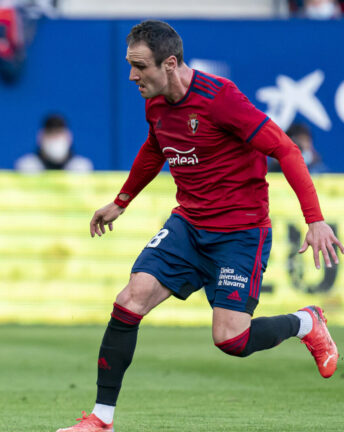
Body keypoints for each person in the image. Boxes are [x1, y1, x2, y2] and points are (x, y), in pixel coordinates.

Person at [56, 20, 341, 432]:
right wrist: (121, 202)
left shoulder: (221, 99)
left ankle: (307, 322)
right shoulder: (154, 102)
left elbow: (286, 149)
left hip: (240, 233)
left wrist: (314, 220)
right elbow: (154, 149)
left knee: (231, 340)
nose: (132, 76)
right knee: (128, 300)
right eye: (129, 65)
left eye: (140, 66)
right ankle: (101, 420)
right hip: (188, 225)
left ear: (170, 63)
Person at [14, 113, 92, 173]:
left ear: (69, 137)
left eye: (58, 133)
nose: (55, 138)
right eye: (50, 133)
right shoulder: (27, 167)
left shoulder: (81, 167)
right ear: (40, 137)